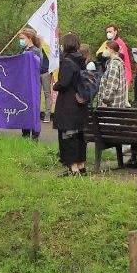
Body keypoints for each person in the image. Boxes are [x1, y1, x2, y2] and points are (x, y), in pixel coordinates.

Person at [53, 33, 89, 176]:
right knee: (80, 136)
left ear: (66, 46)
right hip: (80, 103)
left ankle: (73, 168)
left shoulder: (67, 62)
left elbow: (64, 83)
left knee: (68, 136)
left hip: (68, 104)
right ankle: (81, 166)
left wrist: (55, 85)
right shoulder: (81, 60)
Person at [18, 28, 52, 125]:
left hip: (45, 72)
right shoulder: (25, 50)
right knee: (36, 94)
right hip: (35, 75)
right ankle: (35, 114)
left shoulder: (42, 47)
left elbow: (43, 59)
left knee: (46, 93)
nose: (21, 41)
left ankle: (47, 114)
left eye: (22, 38)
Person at [96, 25, 133, 94]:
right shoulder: (107, 42)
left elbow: (120, 56)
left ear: (115, 32)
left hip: (122, 72)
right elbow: (98, 54)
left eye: (110, 31)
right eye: (107, 32)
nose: (108, 34)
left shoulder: (119, 43)